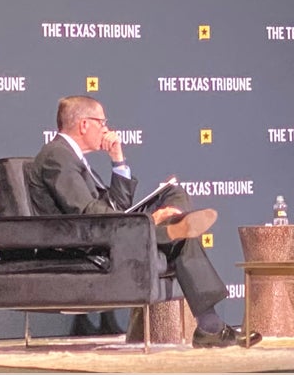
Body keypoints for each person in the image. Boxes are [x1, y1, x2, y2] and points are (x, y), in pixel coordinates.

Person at [25, 95, 262, 348]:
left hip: (103, 229)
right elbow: (87, 212)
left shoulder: (72, 157)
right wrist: (147, 219)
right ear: (84, 125)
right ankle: (210, 325)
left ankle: (172, 228)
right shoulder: (57, 155)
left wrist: (118, 160)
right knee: (178, 236)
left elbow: (116, 205)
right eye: (102, 122)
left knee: (174, 194)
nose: (106, 129)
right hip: (83, 242)